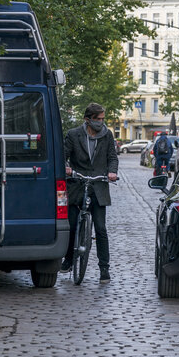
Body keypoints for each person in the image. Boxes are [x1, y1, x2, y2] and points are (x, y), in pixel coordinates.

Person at [60, 103, 118, 283]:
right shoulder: (73, 134)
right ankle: (69, 259)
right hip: (77, 183)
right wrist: (67, 168)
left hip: (99, 184)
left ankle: (104, 269)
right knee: (71, 224)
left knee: (100, 228)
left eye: (102, 119)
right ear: (88, 119)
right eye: (98, 119)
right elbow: (63, 155)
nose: (101, 122)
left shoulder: (107, 135)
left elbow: (112, 157)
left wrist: (112, 172)